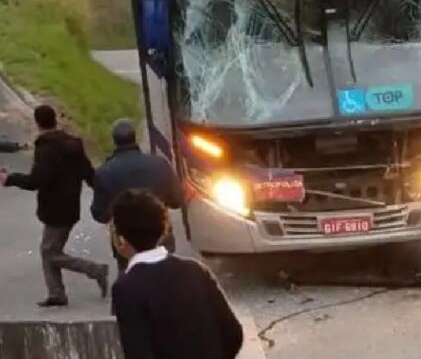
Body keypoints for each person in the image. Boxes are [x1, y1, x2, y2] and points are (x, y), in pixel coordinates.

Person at [111, 189, 243, 359]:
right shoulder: (195, 270)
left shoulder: (126, 288)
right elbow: (233, 334)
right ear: (164, 229)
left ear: (121, 239)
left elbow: (138, 351)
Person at [0, 105, 108, 307]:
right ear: (55, 120)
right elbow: (89, 173)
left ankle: (94, 270)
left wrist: (10, 179)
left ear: (38, 123)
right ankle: (56, 293)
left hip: (54, 208)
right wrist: (103, 193)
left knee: (50, 252)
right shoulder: (74, 144)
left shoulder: (46, 149)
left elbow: (36, 181)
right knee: (49, 249)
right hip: (71, 205)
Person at [91, 119, 182, 275]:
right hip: (161, 236)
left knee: (130, 284)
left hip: (126, 242)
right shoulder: (160, 164)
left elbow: (99, 213)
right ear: (134, 137)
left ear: (114, 140)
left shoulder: (104, 172)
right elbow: (177, 201)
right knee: (166, 282)